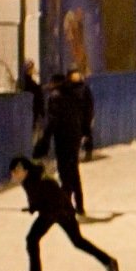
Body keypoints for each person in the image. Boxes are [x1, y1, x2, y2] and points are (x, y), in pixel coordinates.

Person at [7, 156, 118, 271]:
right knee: (74, 241)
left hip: (60, 211)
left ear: (23, 169)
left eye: (15, 172)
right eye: (13, 173)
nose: (14, 175)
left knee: (36, 239)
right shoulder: (28, 179)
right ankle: (108, 261)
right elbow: (37, 197)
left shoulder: (41, 180)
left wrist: (44, 210)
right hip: (53, 211)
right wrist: (33, 207)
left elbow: (55, 197)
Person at [33, 74, 88, 216]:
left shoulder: (55, 97)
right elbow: (83, 113)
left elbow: (53, 121)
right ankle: (79, 205)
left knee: (64, 173)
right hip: (74, 137)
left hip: (63, 139)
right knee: (73, 171)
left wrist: (45, 139)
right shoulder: (74, 94)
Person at [67, 68, 96, 160]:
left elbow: (89, 102)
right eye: (73, 74)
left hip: (84, 115)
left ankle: (88, 152)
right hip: (73, 116)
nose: (75, 76)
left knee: (87, 134)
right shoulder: (67, 88)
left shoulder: (84, 87)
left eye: (77, 74)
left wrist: (90, 115)